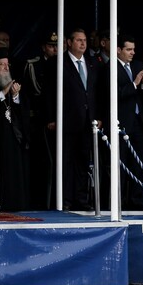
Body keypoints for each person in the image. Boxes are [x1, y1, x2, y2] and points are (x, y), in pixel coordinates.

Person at [45, 28, 102, 211]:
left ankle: (81, 199)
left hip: (88, 121)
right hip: (67, 121)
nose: (83, 43)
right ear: (69, 42)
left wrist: (98, 116)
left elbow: (97, 93)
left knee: (84, 162)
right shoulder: (58, 62)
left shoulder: (92, 62)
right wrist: (51, 118)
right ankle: (66, 199)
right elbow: (49, 93)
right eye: (78, 40)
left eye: (84, 40)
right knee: (67, 162)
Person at [101, 33, 143, 210]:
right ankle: (118, 202)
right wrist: (136, 82)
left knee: (138, 163)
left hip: (137, 121)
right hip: (120, 123)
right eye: (128, 49)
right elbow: (116, 94)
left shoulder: (137, 65)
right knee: (120, 163)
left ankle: (136, 201)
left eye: (133, 49)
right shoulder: (110, 67)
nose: (132, 53)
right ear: (118, 50)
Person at [0, 47, 30, 211]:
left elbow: (22, 112)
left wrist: (16, 96)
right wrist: (3, 93)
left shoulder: (14, 84)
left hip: (14, 137)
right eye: (2, 64)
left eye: (7, 64)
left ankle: (16, 203)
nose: (6, 68)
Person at [21, 31, 58, 210]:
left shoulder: (64, 64)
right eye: (51, 46)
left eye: (58, 46)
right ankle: (39, 201)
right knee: (41, 164)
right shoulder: (34, 65)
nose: (55, 49)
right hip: (38, 121)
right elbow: (34, 92)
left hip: (58, 120)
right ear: (44, 47)